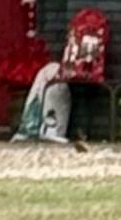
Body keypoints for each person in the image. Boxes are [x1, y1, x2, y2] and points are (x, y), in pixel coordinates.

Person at [12, 8, 109, 143]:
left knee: (53, 78)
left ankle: (39, 127)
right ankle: (43, 127)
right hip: (82, 71)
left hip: (78, 72)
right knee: (50, 73)